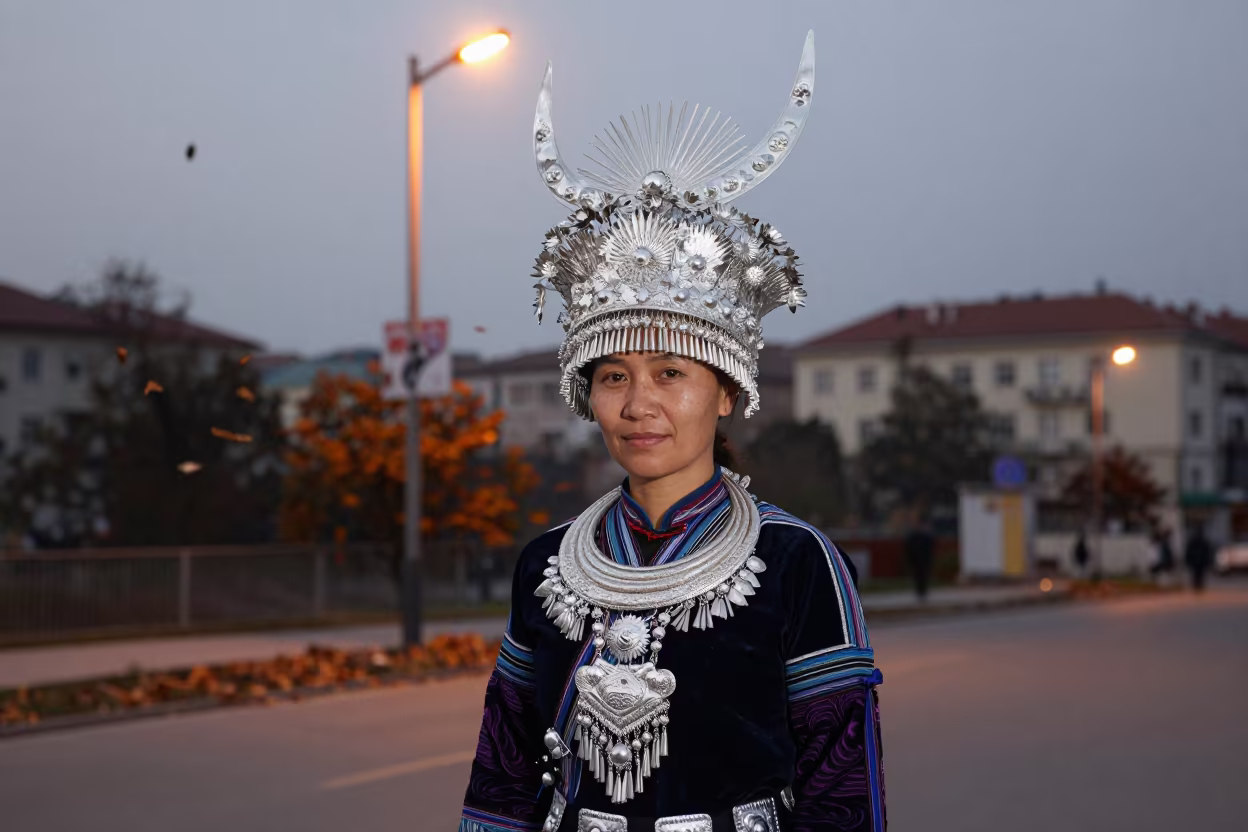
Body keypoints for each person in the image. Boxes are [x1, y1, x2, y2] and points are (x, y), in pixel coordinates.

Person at [460, 32, 886, 832]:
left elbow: (841, 789)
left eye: (670, 373)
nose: (638, 404)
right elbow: (503, 771)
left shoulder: (797, 565)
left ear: (726, 393)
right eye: (613, 377)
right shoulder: (545, 565)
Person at [903, 516, 936, 601]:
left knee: (923, 575)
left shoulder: (925, 536)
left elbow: (931, 547)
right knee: (918, 575)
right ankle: (920, 591)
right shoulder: (913, 537)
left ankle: (922, 591)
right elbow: (909, 549)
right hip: (916, 560)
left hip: (923, 559)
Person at [1184, 522, 1213, 593]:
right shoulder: (1196, 542)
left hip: (1199, 563)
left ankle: (1198, 588)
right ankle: (1197, 588)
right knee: (1197, 576)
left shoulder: (1201, 542)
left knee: (1199, 576)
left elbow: (1207, 553)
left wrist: (1208, 561)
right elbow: (1189, 552)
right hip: (1196, 563)